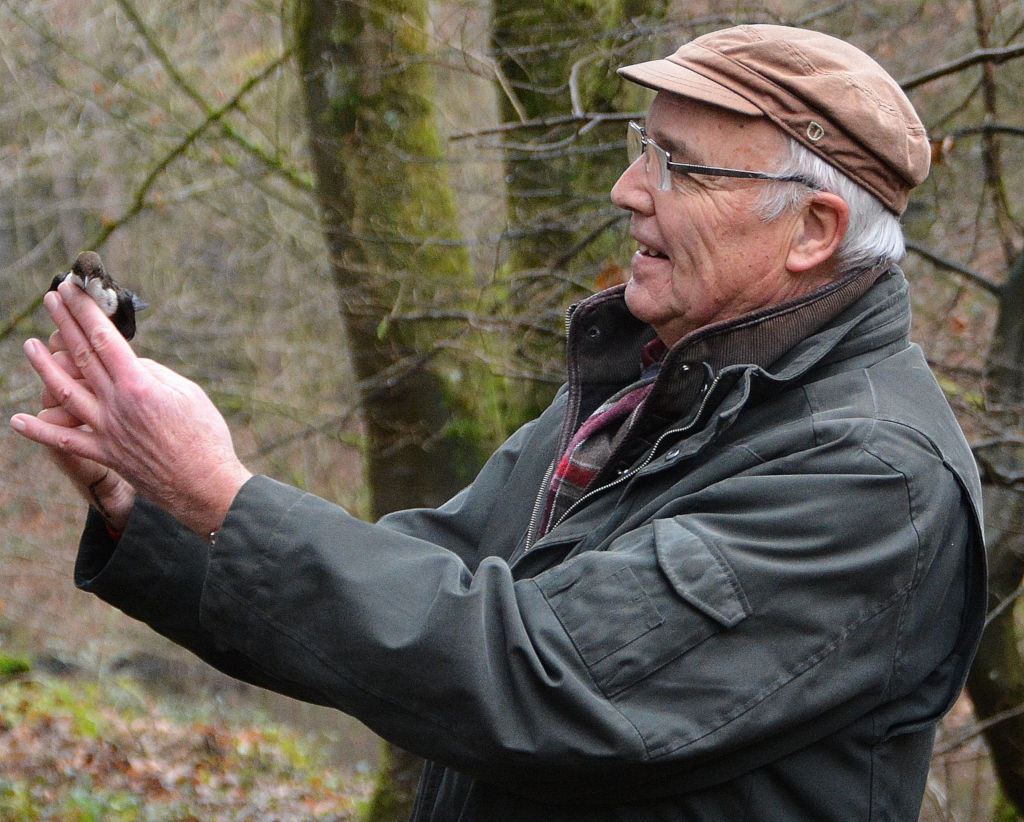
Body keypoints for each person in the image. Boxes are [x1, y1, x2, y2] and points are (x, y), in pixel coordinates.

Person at [11, 24, 986, 822]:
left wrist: (223, 494)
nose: (628, 190)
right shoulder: (640, 398)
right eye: (640, 149)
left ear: (812, 231)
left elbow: (538, 673)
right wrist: (147, 501)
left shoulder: (869, 477)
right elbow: (410, 595)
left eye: (680, 168)